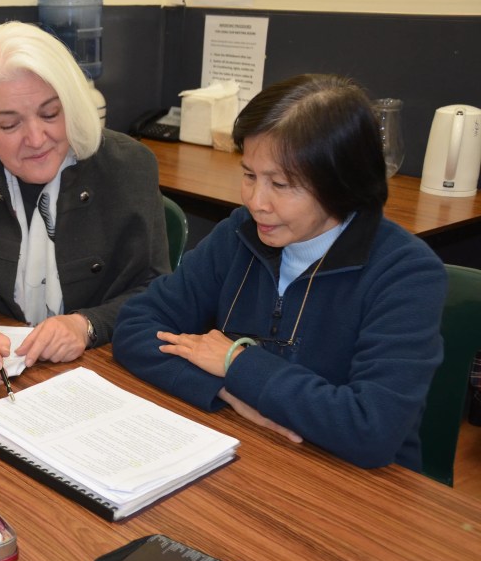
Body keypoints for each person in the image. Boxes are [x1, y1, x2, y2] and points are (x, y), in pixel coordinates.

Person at [113, 74, 446, 471]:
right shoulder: (239, 234)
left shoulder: (407, 272)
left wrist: (237, 362)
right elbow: (135, 326)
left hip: (357, 487)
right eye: (250, 175)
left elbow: (371, 428)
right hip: (249, 456)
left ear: (344, 183)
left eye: (282, 184)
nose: (257, 202)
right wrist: (223, 389)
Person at [0, 21, 170, 388]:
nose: (35, 138)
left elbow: (156, 290)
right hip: (8, 378)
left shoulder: (129, 166)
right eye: (9, 125)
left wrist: (87, 325)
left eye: (50, 114)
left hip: (100, 374)